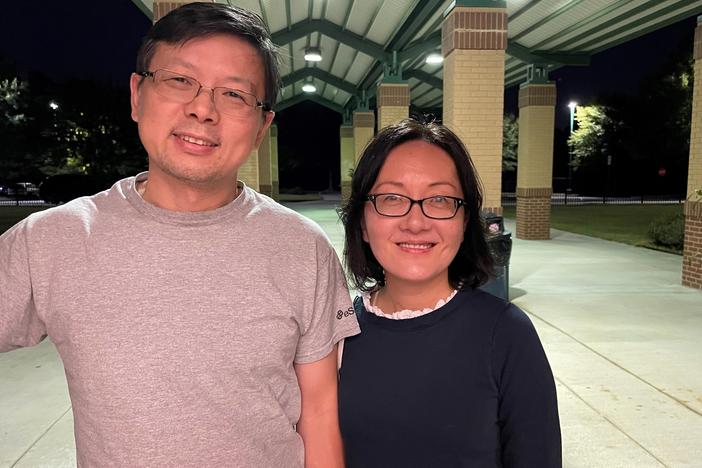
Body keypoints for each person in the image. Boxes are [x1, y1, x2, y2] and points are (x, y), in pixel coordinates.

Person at [0, 3, 359, 466]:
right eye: (180, 80)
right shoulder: (52, 240)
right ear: (137, 94)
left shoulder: (302, 247)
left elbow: (320, 414)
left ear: (261, 127)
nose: (203, 109)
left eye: (234, 94)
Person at [338, 119, 561, 467]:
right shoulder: (336, 336)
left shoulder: (506, 334)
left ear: (464, 220)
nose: (416, 222)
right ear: (363, 222)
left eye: (440, 199)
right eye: (392, 198)